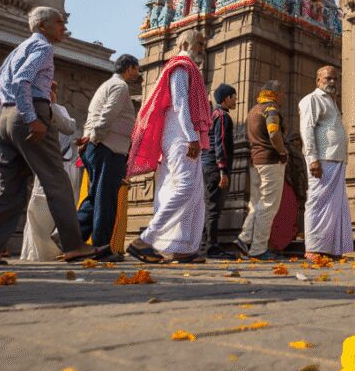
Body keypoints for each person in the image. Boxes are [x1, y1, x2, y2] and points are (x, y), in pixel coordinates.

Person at [0, 7, 106, 266]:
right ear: (42, 25)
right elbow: (22, 82)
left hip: (5, 119)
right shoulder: (43, 48)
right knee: (56, 180)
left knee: (5, 185)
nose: (64, 28)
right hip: (30, 112)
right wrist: (32, 118)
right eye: (60, 23)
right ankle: (73, 245)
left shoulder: (17, 50)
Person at [125, 30, 212, 264]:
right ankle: (145, 240)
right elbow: (180, 102)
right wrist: (192, 136)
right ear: (184, 43)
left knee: (195, 194)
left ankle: (181, 247)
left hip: (183, 135)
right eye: (199, 43)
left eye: (204, 43)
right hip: (180, 136)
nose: (203, 47)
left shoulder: (189, 68)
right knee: (184, 188)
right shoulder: (181, 67)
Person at [76, 54, 139, 255]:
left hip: (96, 146)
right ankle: (101, 247)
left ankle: (72, 236)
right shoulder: (120, 87)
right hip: (108, 147)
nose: (138, 73)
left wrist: (90, 137)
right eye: (137, 69)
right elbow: (108, 115)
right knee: (106, 199)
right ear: (129, 67)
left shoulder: (105, 85)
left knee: (95, 196)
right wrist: (95, 136)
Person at [298, 66, 353, 259]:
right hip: (322, 159)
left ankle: (331, 249)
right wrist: (312, 159)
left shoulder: (331, 102)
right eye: (328, 78)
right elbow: (307, 129)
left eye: (335, 79)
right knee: (317, 203)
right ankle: (313, 249)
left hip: (336, 158)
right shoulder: (312, 100)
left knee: (335, 207)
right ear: (318, 80)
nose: (332, 82)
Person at [22, 82, 79, 261]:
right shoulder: (31, 108)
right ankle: (38, 251)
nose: (51, 94)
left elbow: (70, 128)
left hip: (63, 164)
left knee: (56, 207)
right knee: (38, 209)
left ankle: (49, 250)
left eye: (53, 90)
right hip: (45, 165)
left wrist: (53, 107)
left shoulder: (58, 108)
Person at [236, 79, 289, 260]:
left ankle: (244, 238)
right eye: (281, 93)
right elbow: (274, 133)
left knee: (257, 203)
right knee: (268, 205)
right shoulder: (270, 109)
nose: (282, 96)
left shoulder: (253, 110)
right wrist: (282, 152)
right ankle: (258, 249)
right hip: (270, 162)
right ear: (274, 93)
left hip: (256, 162)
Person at [201, 83, 238, 259]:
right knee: (214, 207)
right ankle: (212, 247)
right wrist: (223, 170)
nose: (236, 99)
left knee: (208, 206)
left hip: (206, 165)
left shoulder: (212, 114)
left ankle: (203, 244)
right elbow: (220, 143)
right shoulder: (222, 116)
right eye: (234, 96)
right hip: (216, 167)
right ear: (226, 98)